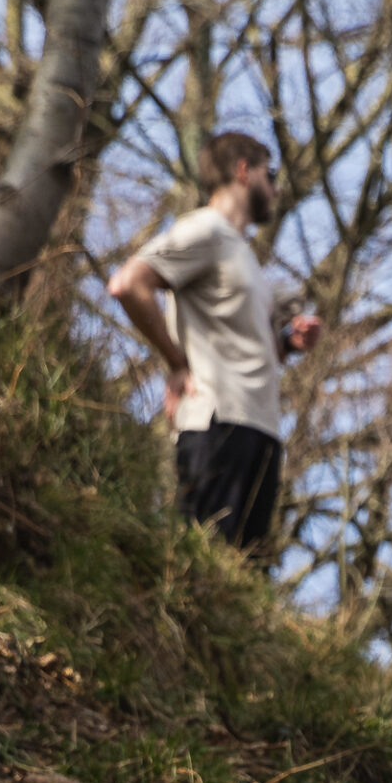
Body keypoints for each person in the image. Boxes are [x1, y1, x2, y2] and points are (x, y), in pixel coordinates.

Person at [108, 131, 322, 552]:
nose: (276, 188)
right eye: (269, 174)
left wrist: (289, 344)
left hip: (260, 433)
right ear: (243, 171)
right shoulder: (205, 230)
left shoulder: (243, 257)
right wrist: (175, 362)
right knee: (201, 571)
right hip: (217, 425)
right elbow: (128, 284)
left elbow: (247, 346)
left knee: (240, 589)